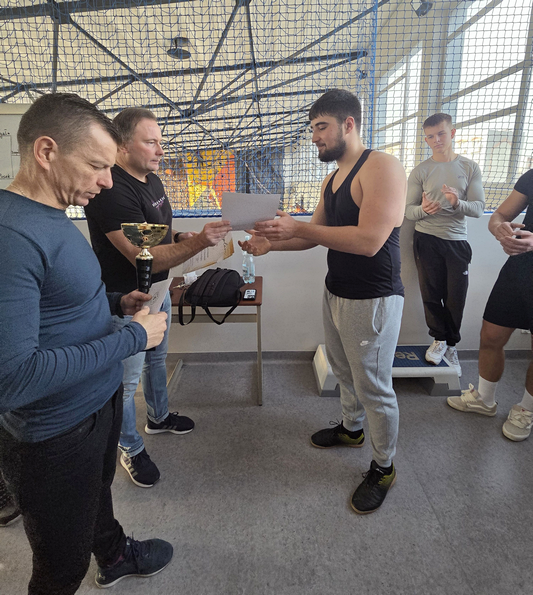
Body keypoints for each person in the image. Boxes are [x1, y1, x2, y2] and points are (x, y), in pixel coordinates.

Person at [0, 93, 173, 594]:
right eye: (97, 166)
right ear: (46, 151)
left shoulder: (52, 214)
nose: (107, 180)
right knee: (61, 568)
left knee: (98, 497)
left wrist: (115, 302)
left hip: (95, 405)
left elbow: (58, 302)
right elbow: (13, 378)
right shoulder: (11, 237)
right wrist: (133, 336)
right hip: (54, 435)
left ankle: (114, 555)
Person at [240, 89, 406, 514]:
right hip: (337, 291)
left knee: (374, 387)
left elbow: (369, 242)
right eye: (312, 128)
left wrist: (296, 227)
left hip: (373, 297)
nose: (314, 136)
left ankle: (384, 467)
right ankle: (352, 429)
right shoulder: (332, 179)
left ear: (348, 124)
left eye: (320, 127)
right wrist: (271, 245)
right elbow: (313, 237)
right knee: (344, 370)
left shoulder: (382, 167)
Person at [84, 108, 232, 488]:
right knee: (125, 383)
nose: (161, 151)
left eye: (160, 142)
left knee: (157, 359)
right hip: (128, 300)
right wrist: (199, 242)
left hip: (159, 289)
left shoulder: (151, 179)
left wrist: (180, 237)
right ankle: (129, 448)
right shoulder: (111, 191)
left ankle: (159, 417)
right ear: (122, 145)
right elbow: (141, 255)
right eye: (151, 142)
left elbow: (157, 231)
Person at [447, 170, 533, 441]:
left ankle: (526, 410)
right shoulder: (531, 177)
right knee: (491, 336)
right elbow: (500, 215)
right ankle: (484, 399)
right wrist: (499, 229)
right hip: (518, 270)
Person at [405, 113, 485, 376]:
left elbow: (479, 208)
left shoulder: (470, 167)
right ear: (426, 139)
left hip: (456, 241)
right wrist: (424, 210)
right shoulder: (420, 171)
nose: (436, 140)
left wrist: (457, 203)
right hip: (426, 238)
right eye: (430, 136)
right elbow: (408, 210)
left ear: (452, 133)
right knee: (430, 293)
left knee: (456, 297)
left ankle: (451, 345)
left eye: (441, 133)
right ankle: (439, 339)